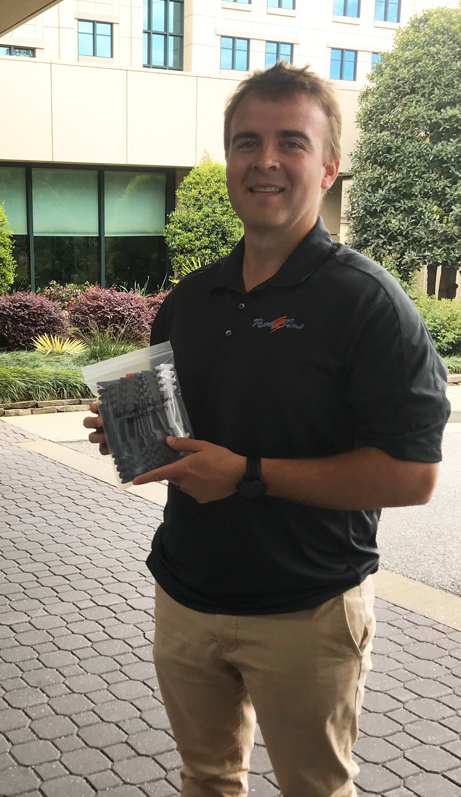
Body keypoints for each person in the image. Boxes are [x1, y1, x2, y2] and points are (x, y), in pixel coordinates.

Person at [85, 63, 450, 797]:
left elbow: (414, 475)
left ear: (329, 165)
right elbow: (196, 432)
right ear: (229, 161)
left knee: (314, 790)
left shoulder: (367, 303)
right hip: (187, 596)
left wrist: (248, 473)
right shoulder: (191, 298)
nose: (267, 161)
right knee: (207, 779)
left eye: (291, 142)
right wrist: (135, 431)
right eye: (247, 142)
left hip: (306, 611)